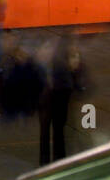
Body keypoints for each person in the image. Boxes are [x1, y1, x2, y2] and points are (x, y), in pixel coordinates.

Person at [38, 37, 89, 166]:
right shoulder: (60, 66)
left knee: (52, 132)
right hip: (55, 100)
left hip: (55, 101)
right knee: (55, 131)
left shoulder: (59, 65)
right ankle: (55, 160)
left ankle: (50, 161)